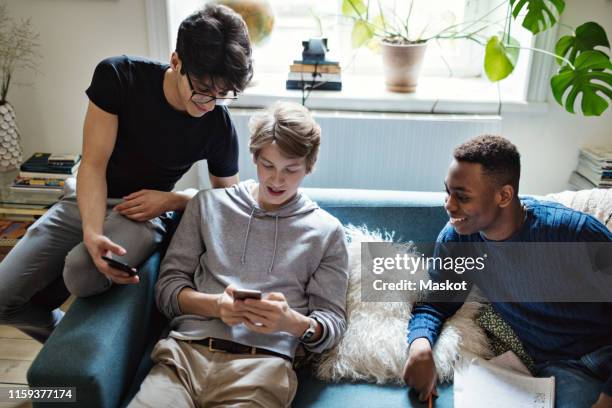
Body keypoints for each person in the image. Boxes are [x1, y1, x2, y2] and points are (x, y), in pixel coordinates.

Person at [0, 4, 253, 343]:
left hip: (143, 215)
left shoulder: (218, 126)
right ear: (175, 62)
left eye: (223, 95)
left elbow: (227, 201)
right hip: (88, 194)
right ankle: (56, 339)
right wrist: (91, 230)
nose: (209, 103)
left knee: (80, 274)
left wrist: (176, 200)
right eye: (202, 90)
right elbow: (93, 164)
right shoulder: (119, 76)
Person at [128, 102, 349, 408]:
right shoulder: (207, 205)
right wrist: (217, 306)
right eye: (268, 165)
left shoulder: (327, 232)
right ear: (255, 158)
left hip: (263, 370)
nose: (276, 180)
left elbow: (332, 324)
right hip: (183, 359)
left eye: (291, 169)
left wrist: (290, 322)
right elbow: (167, 290)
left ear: (308, 166)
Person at [403, 135, 612, 408]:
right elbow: (436, 303)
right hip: (565, 367)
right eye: (448, 192)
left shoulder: (575, 232)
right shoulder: (459, 239)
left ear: (504, 196)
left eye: (462, 197)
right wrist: (420, 346)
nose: (450, 205)